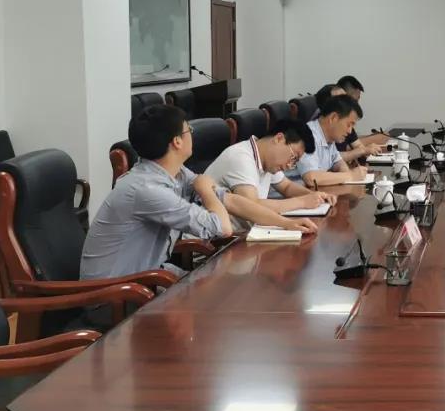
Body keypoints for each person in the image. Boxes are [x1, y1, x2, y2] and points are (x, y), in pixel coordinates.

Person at [81, 105, 315, 282]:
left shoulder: (175, 172)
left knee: (222, 289)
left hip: (148, 276)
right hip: (114, 294)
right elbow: (222, 227)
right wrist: (205, 190)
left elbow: (232, 201)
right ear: (177, 142)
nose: (192, 135)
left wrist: (287, 225)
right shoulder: (146, 189)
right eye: (188, 130)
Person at [205, 119, 337, 230]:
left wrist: (315, 196)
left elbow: (287, 187)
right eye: (293, 157)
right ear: (279, 138)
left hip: (245, 233)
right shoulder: (241, 157)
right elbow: (253, 205)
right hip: (219, 240)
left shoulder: (266, 160)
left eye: (295, 162)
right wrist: (302, 202)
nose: (289, 165)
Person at [295, 94, 371, 187]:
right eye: (349, 124)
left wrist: (348, 175)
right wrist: (351, 175)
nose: (350, 131)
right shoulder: (308, 135)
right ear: (333, 118)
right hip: (292, 194)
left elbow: (338, 163)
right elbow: (311, 178)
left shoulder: (329, 138)